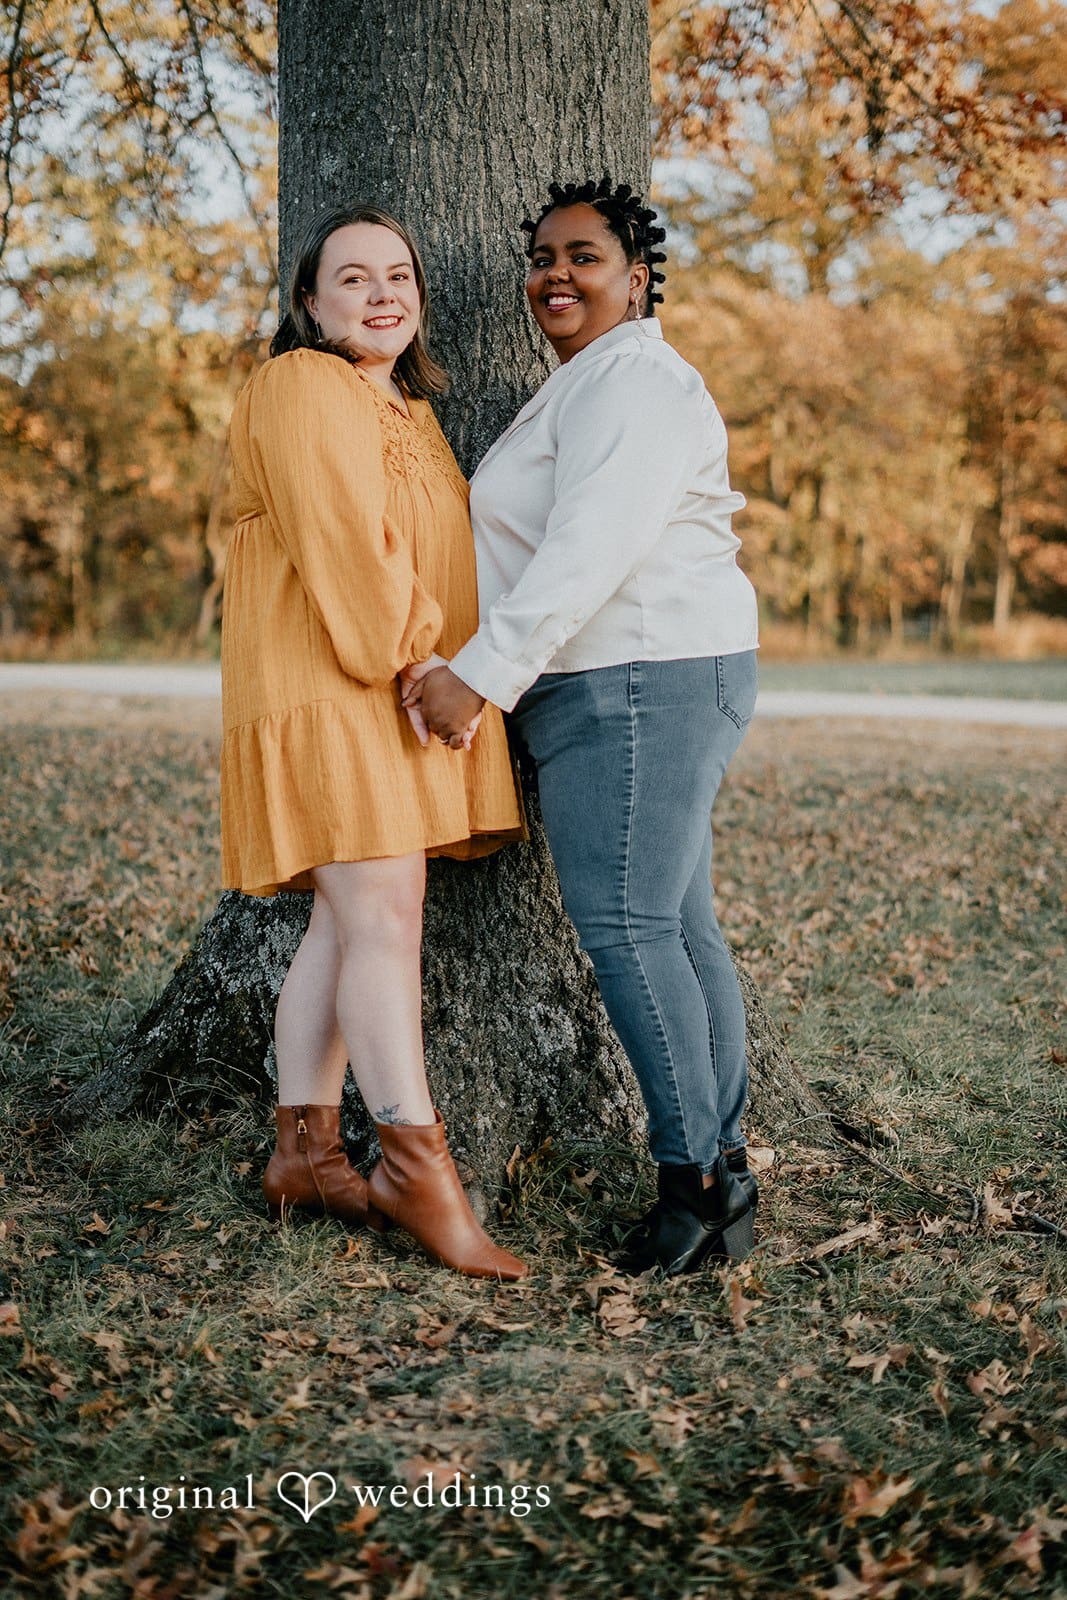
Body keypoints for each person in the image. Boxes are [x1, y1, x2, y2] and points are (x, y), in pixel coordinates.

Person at [407, 177, 760, 1276]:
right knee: (677, 928)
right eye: (544, 257)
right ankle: (724, 1171)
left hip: (635, 675)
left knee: (627, 932)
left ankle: (691, 1186)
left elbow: (589, 546)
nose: (555, 274)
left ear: (636, 276)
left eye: (585, 255)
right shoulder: (582, 385)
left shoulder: (635, 382)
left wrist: (481, 676)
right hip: (629, 673)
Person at [222, 202, 526, 1281]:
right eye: (351, 277)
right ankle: (415, 1163)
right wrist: (417, 665)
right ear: (308, 303)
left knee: (349, 922)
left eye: (397, 274)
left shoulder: (410, 409)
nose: (381, 292)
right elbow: (347, 542)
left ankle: (302, 1150)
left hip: (384, 685)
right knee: (387, 916)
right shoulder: (301, 385)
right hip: (338, 681)